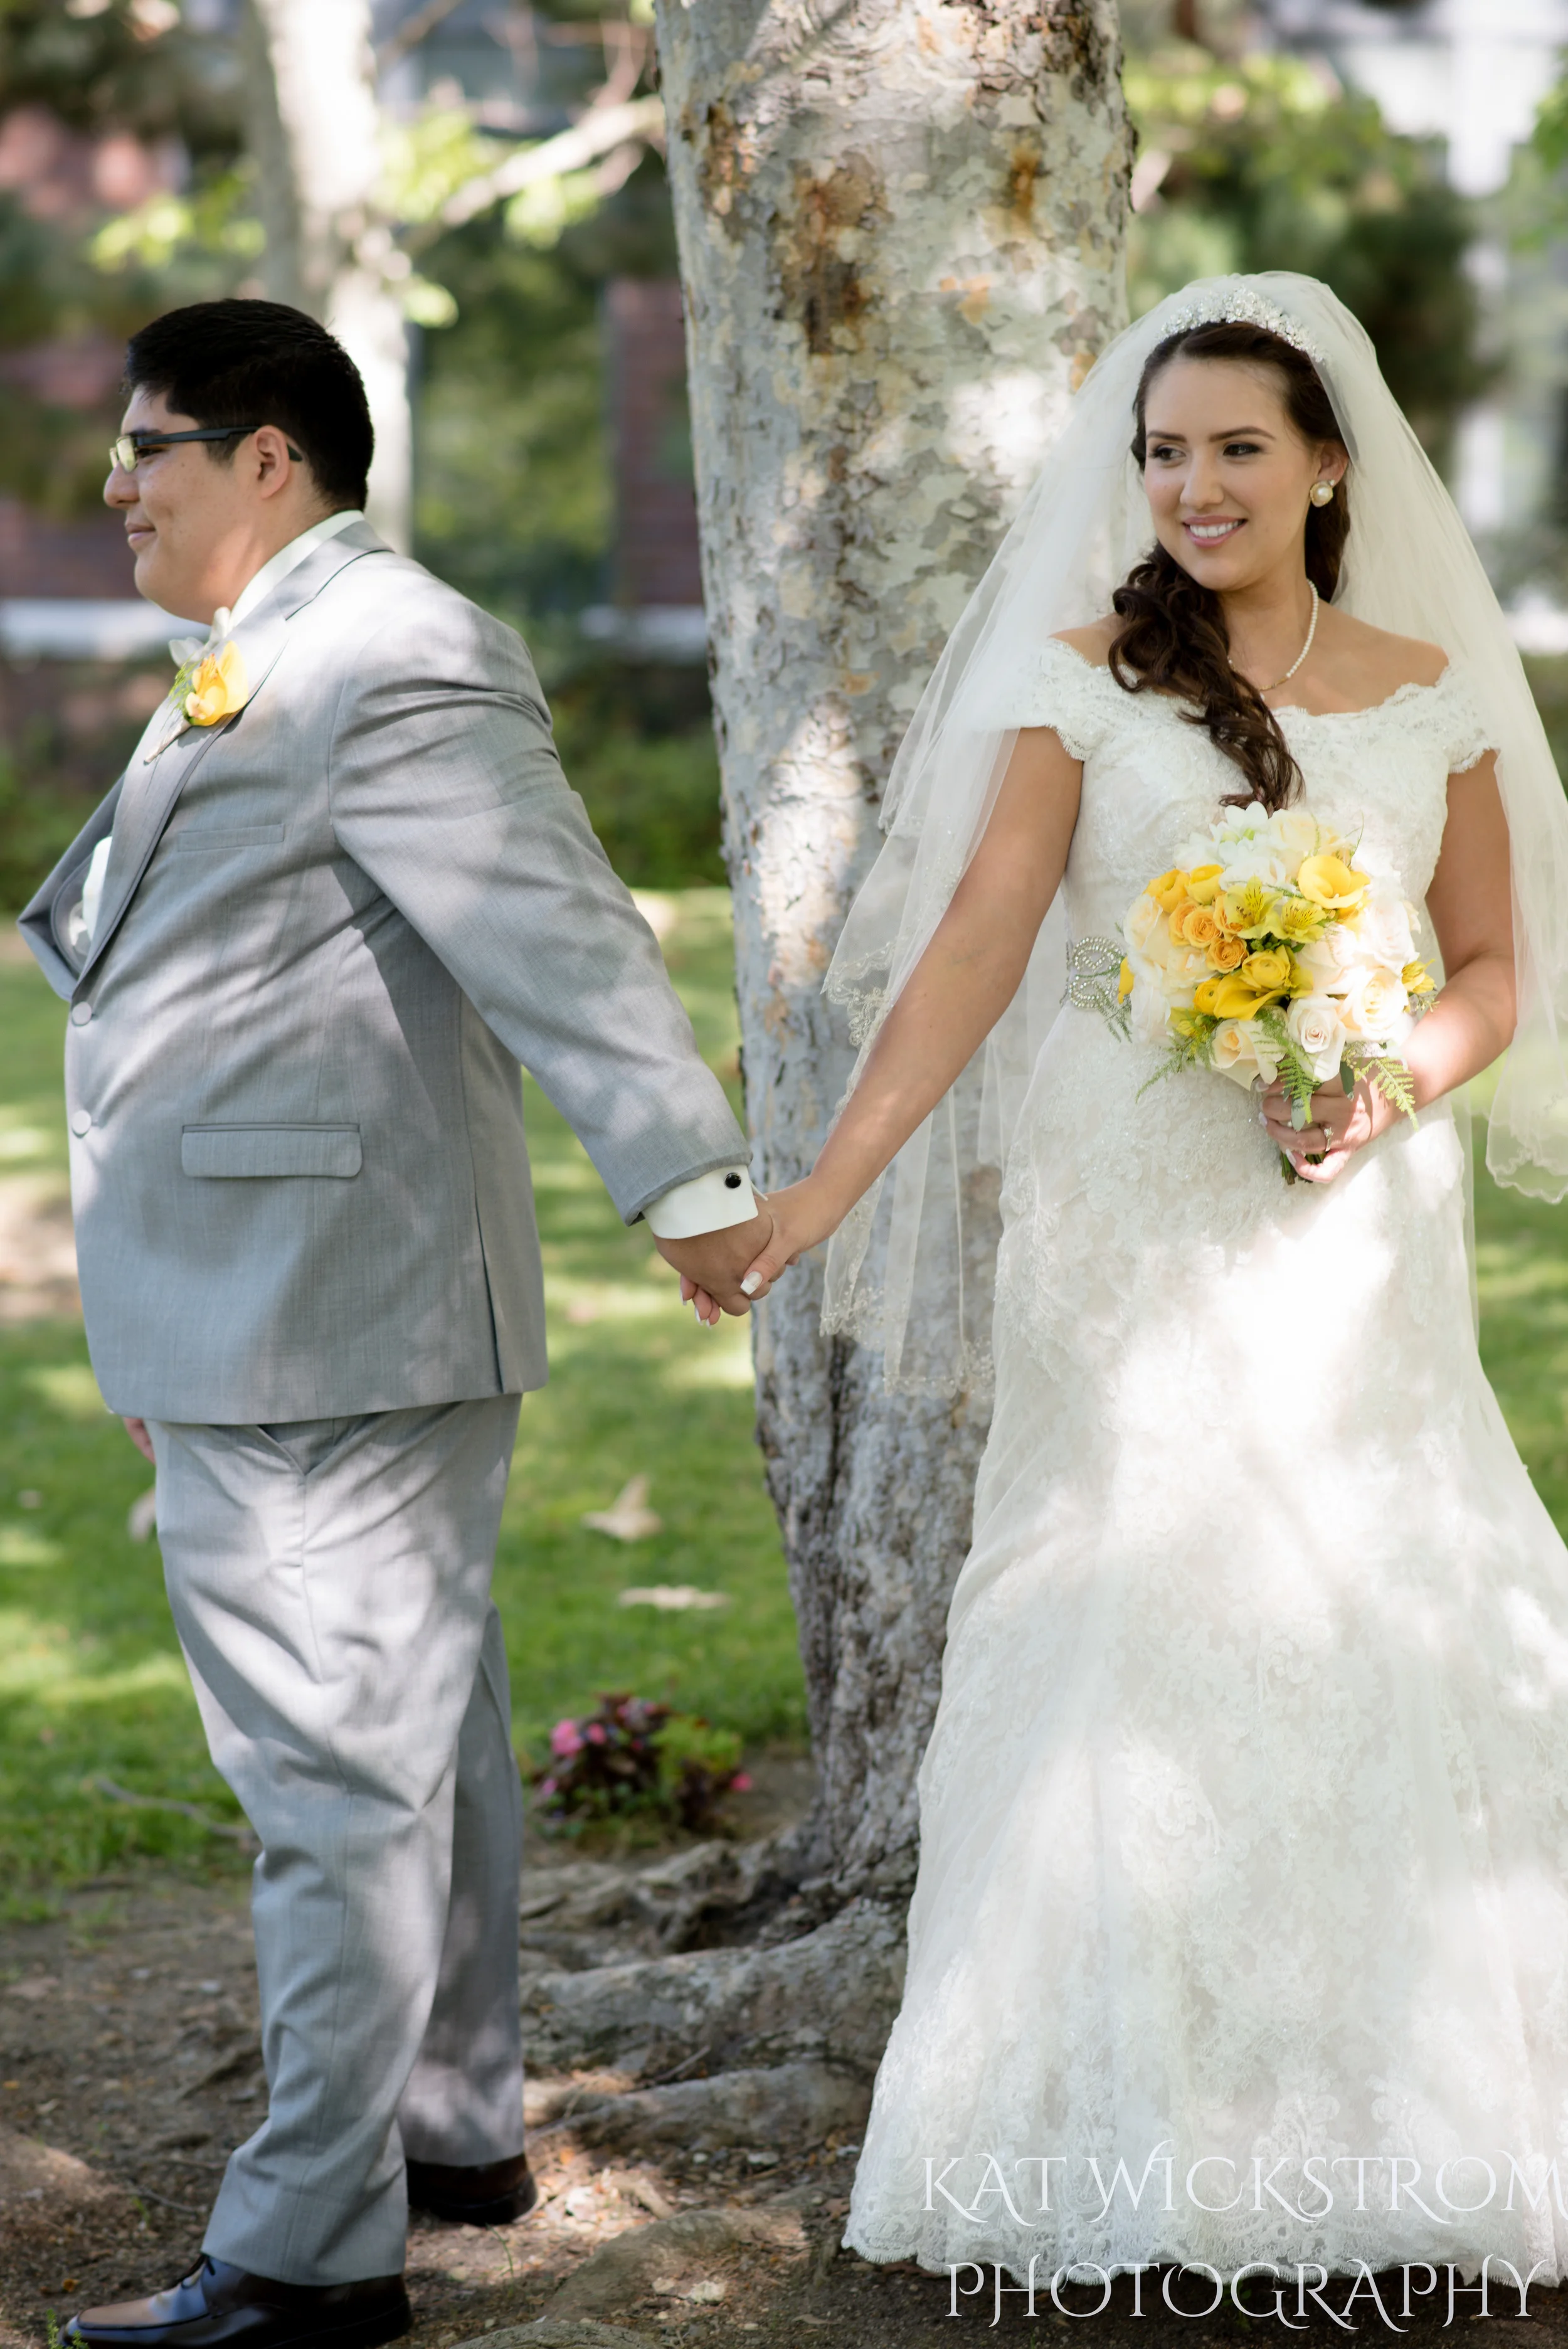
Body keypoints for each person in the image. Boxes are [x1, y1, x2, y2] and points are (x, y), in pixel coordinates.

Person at [738, 273, 1568, 2293]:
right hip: (1124, 1219)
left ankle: (1385, 2129)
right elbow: (974, 943)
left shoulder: (1431, 691)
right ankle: (1096, 2137)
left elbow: (1487, 972)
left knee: (1358, 1599)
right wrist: (822, 1185)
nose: (1192, 486)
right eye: (1162, 453)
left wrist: (1384, 1081)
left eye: (1234, 449)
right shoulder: (1079, 676)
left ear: (1327, 468)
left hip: (1343, 1226)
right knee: (1121, 1609)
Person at [18, 297, 774, 2349]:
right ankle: (448, 2129)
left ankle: (302, 2255)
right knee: (414, 1736)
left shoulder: (394, 646)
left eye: (149, 443)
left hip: (321, 1315)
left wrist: (692, 1188)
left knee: (329, 1783)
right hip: (283, 1300)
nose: (117, 484)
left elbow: (555, 926)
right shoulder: (276, 654)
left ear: (271, 455)